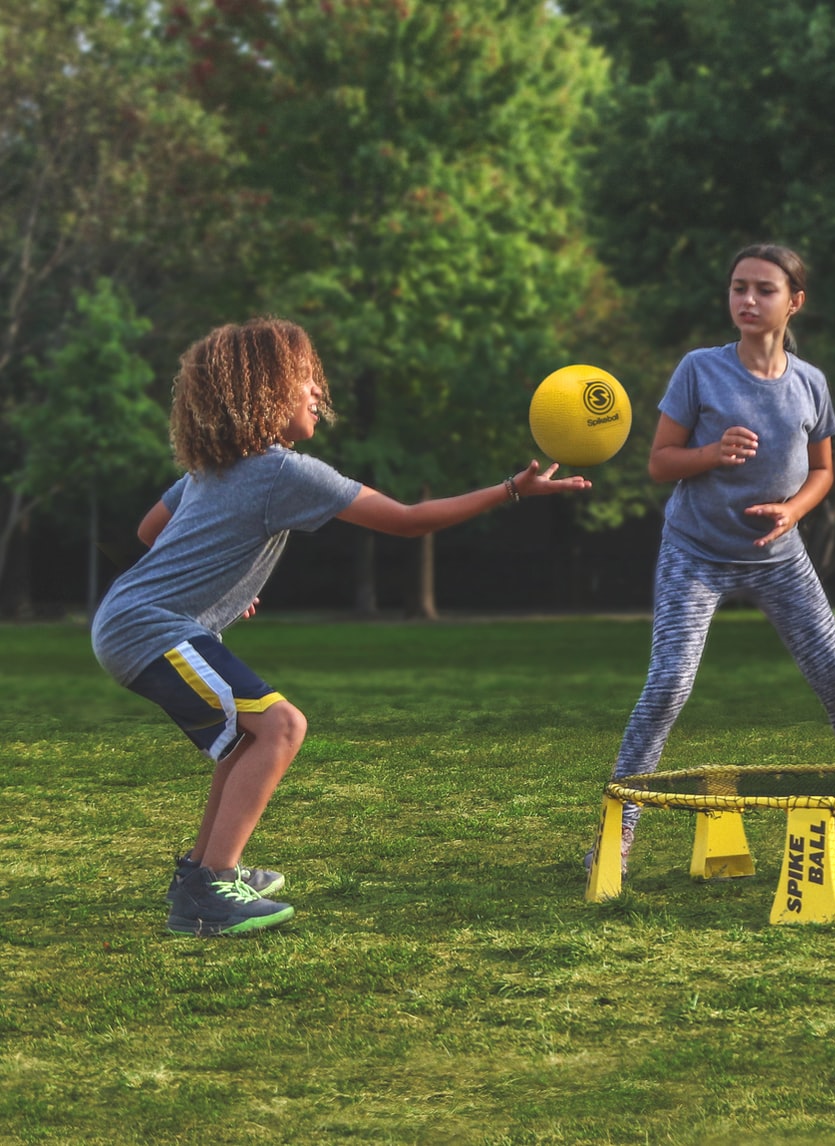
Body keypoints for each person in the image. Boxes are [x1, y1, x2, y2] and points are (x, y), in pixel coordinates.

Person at [93, 317, 590, 936]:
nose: (316, 395)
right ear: (264, 392)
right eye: (304, 381)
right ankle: (208, 893)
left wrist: (219, 583)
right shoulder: (284, 472)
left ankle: (204, 869)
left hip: (136, 619)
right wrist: (511, 490)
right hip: (148, 627)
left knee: (252, 735)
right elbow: (408, 520)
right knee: (282, 726)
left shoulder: (211, 468)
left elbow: (149, 532)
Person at [588, 243, 835, 874]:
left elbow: (823, 471)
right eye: (737, 288)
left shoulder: (811, 383)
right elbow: (659, 462)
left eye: (763, 290)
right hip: (695, 552)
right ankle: (617, 832)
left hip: (779, 558)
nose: (747, 300)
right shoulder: (700, 370)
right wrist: (710, 454)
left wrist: (793, 512)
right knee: (669, 684)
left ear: (795, 302)